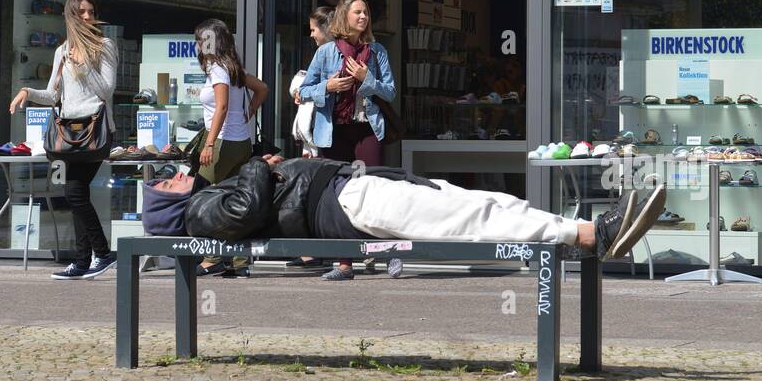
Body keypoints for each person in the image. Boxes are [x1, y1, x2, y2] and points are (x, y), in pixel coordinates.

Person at [139, 154, 666, 267]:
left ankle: (585, 232)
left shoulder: (202, 200)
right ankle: (592, 235)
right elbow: (250, 207)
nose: (174, 175)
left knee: (479, 205)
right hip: (346, 202)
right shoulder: (198, 211)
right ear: (168, 204)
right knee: (472, 217)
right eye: (165, 183)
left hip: (349, 191)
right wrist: (259, 163)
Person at [10, 0, 118, 280]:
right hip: (68, 133)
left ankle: (103, 254)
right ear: (70, 16)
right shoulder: (61, 51)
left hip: (95, 131)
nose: (87, 17)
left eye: (91, 12)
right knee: (76, 194)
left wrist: (82, 66)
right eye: (81, 12)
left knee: (73, 192)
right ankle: (83, 261)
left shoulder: (105, 46)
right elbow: (54, 95)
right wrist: (27, 92)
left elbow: (106, 90)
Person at [298, 0, 396, 279]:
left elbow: (389, 92)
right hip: (335, 131)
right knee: (339, 194)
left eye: (366, 12)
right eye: (357, 12)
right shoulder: (327, 52)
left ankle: (388, 252)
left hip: (367, 129)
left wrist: (368, 79)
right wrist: (327, 86)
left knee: (375, 189)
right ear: (345, 16)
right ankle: (344, 263)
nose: (363, 17)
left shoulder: (377, 52)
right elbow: (303, 91)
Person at [193, 18, 268, 277]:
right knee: (235, 201)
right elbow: (262, 88)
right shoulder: (233, 68)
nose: (197, 46)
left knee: (203, 198)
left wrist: (209, 144)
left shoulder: (217, 69)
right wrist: (249, 112)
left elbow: (222, 107)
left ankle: (211, 258)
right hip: (241, 142)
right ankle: (239, 261)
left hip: (223, 142)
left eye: (199, 40)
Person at [285, 7, 333, 268]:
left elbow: (318, 91)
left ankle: (321, 250)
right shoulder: (320, 54)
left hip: (322, 136)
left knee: (318, 194)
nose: (311, 34)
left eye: (314, 29)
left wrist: (304, 89)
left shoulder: (332, 54)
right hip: (312, 139)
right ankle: (313, 249)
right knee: (311, 194)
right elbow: (306, 90)